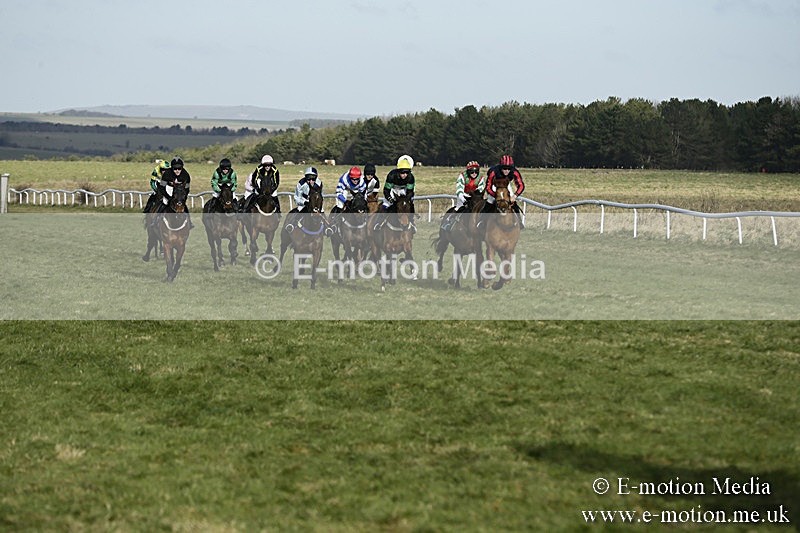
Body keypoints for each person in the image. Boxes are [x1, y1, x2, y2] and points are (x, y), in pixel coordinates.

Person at [478, 154, 525, 229]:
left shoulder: (514, 172)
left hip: (506, 186)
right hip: (494, 186)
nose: (507, 171)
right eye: (504, 168)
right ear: (500, 167)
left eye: (509, 168)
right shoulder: (493, 172)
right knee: (490, 201)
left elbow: (521, 185)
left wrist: (515, 196)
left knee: (513, 203)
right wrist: (496, 195)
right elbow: (488, 187)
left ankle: (519, 221)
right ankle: (481, 221)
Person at [443, 160, 485, 231]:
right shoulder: (462, 176)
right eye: (472, 172)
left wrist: (475, 197)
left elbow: (480, 189)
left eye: (476, 172)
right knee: (459, 207)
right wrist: (463, 199)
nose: (474, 174)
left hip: (475, 197)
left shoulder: (481, 178)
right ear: (468, 172)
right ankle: (448, 221)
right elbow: (459, 190)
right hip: (463, 195)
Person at [156, 156, 194, 227]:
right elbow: (162, 187)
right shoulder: (167, 174)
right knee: (164, 202)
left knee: (182, 204)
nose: (177, 170)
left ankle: (189, 221)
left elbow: (187, 189)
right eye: (175, 169)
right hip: (168, 188)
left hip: (180, 191)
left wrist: (183, 198)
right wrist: (168, 197)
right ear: (172, 168)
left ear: (182, 168)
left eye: (179, 168)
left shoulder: (186, 175)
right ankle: (156, 220)